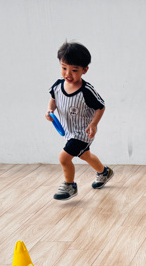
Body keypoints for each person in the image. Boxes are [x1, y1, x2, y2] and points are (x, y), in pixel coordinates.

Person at [46, 41, 112, 200]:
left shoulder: (86, 91)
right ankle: (104, 172)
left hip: (83, 133)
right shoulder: (57, 86)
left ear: (85, 70)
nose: (68, 74)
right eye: (64, 68)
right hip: (69, 132)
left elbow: (101, 107)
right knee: (85, 156)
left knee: (64, 157)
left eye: (74, 70)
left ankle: (69, 185)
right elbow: (53, 99)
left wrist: (94, 124)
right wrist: (50, 110)